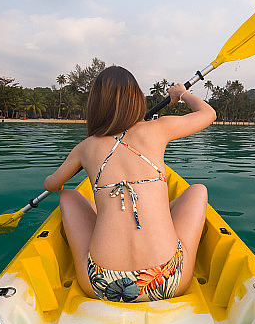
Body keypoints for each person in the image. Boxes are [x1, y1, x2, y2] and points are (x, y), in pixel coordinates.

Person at [44, 66, 217, 302]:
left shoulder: (85, 148)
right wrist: (181, 94)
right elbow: (208, 114)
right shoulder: (158, 128)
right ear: (136, 100)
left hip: (102, 284)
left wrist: (68, 176)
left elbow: (52, 185)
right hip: (168, 279)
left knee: (68, 196)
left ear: (95, 105)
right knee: (198, 190)